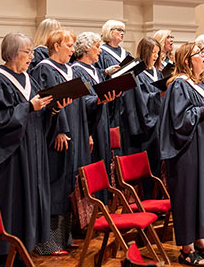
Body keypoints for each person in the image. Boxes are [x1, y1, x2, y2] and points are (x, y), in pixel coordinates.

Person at [0, 32, 56, 261]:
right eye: (28, 52)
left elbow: (39, 113)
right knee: (11, 203)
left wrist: (52, 109)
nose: (32, 57)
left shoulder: (29, 79)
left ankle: (25, 245)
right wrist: (28, 107)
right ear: (15, 52)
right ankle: (3, 252)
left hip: (32, 151)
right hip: (11, 156)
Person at [158, 42, 204, 266]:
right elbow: (178, 120)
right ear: (188, 60)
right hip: (188, 152)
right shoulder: (179, 85)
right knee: (189, 196)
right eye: (199, 54)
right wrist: (201, 111)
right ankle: (186, 248)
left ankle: (200, 241)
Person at [29, 29, 77, 255]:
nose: (73, 50)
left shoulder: (68, 70)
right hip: (55, 137)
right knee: (54, 185)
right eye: (69, 45)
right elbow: (48, 104)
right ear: (56, 46)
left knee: (66, 184)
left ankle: (65, 236)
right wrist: (59, 129)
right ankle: (47, 242)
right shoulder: (44, 70)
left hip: (72, 133)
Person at [70, 32, 118, 174]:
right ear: (86, 48)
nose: (100, 50)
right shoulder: (75, 71)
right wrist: (97, 100)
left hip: (102, 124)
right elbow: (79, 103)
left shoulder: (96, 71)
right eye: (97, 46)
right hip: (88, 128)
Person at [121, 37, 163, 177]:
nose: (156, 56)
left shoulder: (158, 73)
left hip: (159, 124)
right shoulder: (137, 74)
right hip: (147, 127)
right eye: (153, 53)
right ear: (145, 52)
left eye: (158, 53)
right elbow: (140, 100)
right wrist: (159, 96)